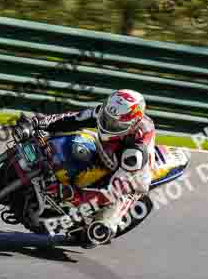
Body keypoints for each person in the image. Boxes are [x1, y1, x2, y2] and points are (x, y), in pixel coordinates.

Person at [15, 89, 156, 247]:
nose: (108, 123)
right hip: (107, 150)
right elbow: (74, 118)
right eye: (107, 118)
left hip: (130, 177)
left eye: (115, 124)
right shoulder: (108, 112)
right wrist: (39, 123)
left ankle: (101, 228)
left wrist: (74, 195)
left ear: (132, 125)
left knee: (105, 223)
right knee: (69, 140)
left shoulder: (134, 153)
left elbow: (112, 190)